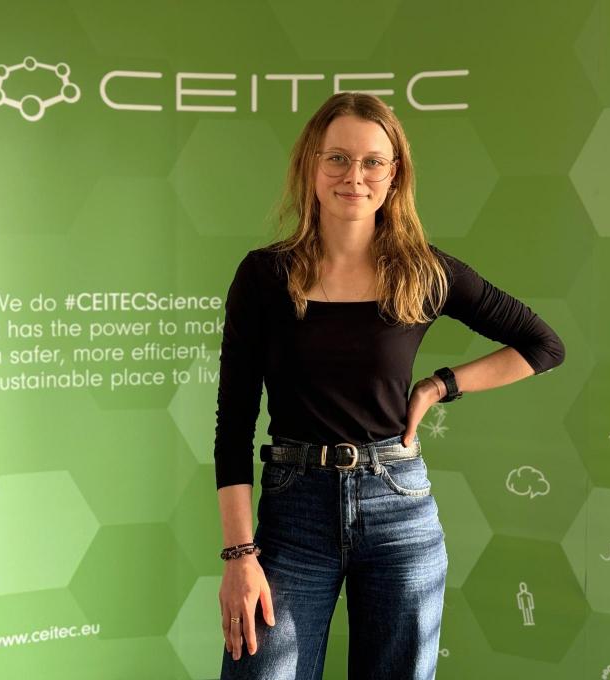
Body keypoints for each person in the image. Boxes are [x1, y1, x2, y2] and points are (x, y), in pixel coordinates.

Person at [213, 91, 565, 680]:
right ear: (310, 165)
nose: (354, 176)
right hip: (294, 514)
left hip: (399, 508)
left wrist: (439, 386)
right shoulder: (264, 276)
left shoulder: (423, 271)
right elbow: (233, 425)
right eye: (337, 158)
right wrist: (239, 555)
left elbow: (543, 346)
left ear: (394, 174)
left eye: (373, 161)